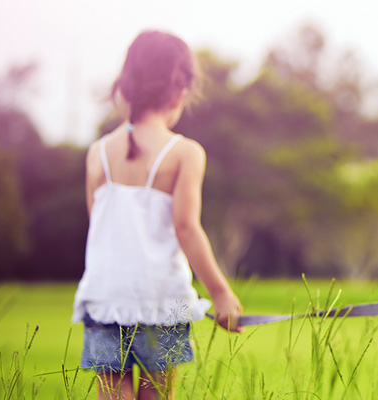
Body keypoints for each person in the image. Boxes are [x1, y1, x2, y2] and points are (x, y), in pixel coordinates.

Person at [71, 30, 243, 399]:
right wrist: (221, 293)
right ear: (180, 92)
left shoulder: (97, 153)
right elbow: (186, 228)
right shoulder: (185, 152)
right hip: (162, 301)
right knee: (156, 394)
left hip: (103, 298)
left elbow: (98, 226)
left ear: (127, 87)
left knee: (112, 394)